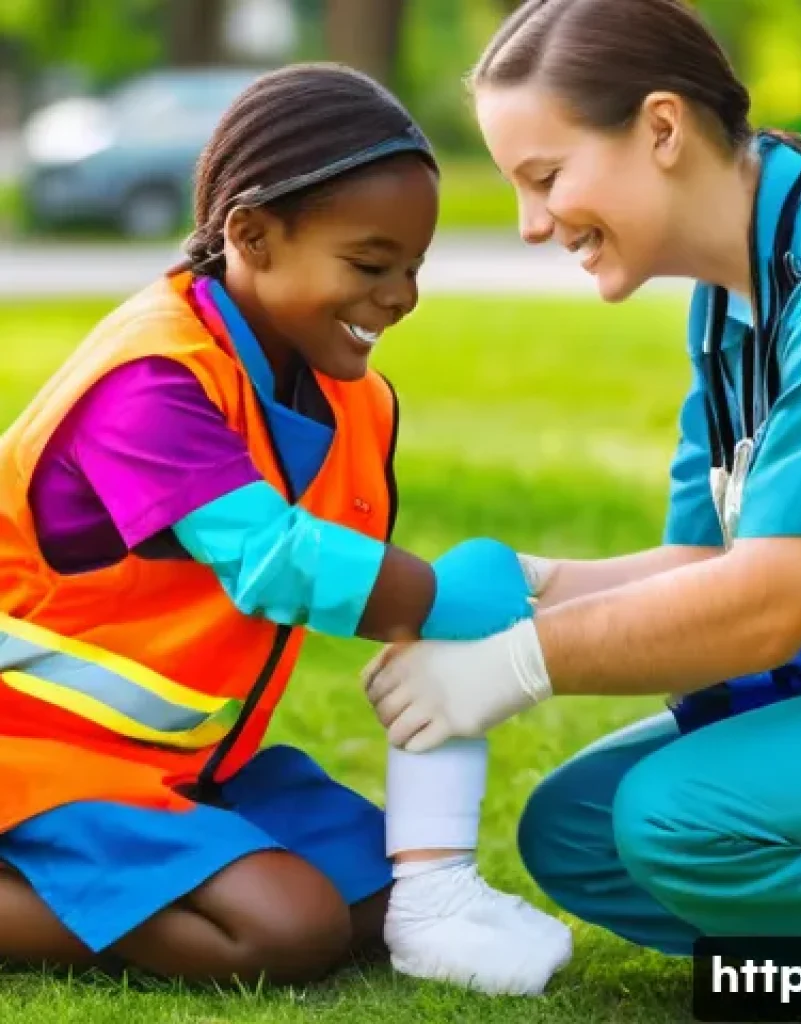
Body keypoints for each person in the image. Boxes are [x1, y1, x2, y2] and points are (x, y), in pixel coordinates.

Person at [365, 0, 801, 1019]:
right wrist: (533, 583)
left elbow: (763, 611)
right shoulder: (731, 301)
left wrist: (511, 665)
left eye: (545, 179)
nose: (533, 224)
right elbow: (704, 560)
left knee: (680, 820)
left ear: (662, 130)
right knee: (578, 833)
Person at [0, 63, 571, 996]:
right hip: (35, 756)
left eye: (413, 269)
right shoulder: (148, 381)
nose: (400, 298)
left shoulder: (350, 398)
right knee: (289, 929)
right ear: (252, 237)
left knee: (383, 899)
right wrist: (438, 595)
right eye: (370, 264)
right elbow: (272, 560)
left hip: (190, 768)